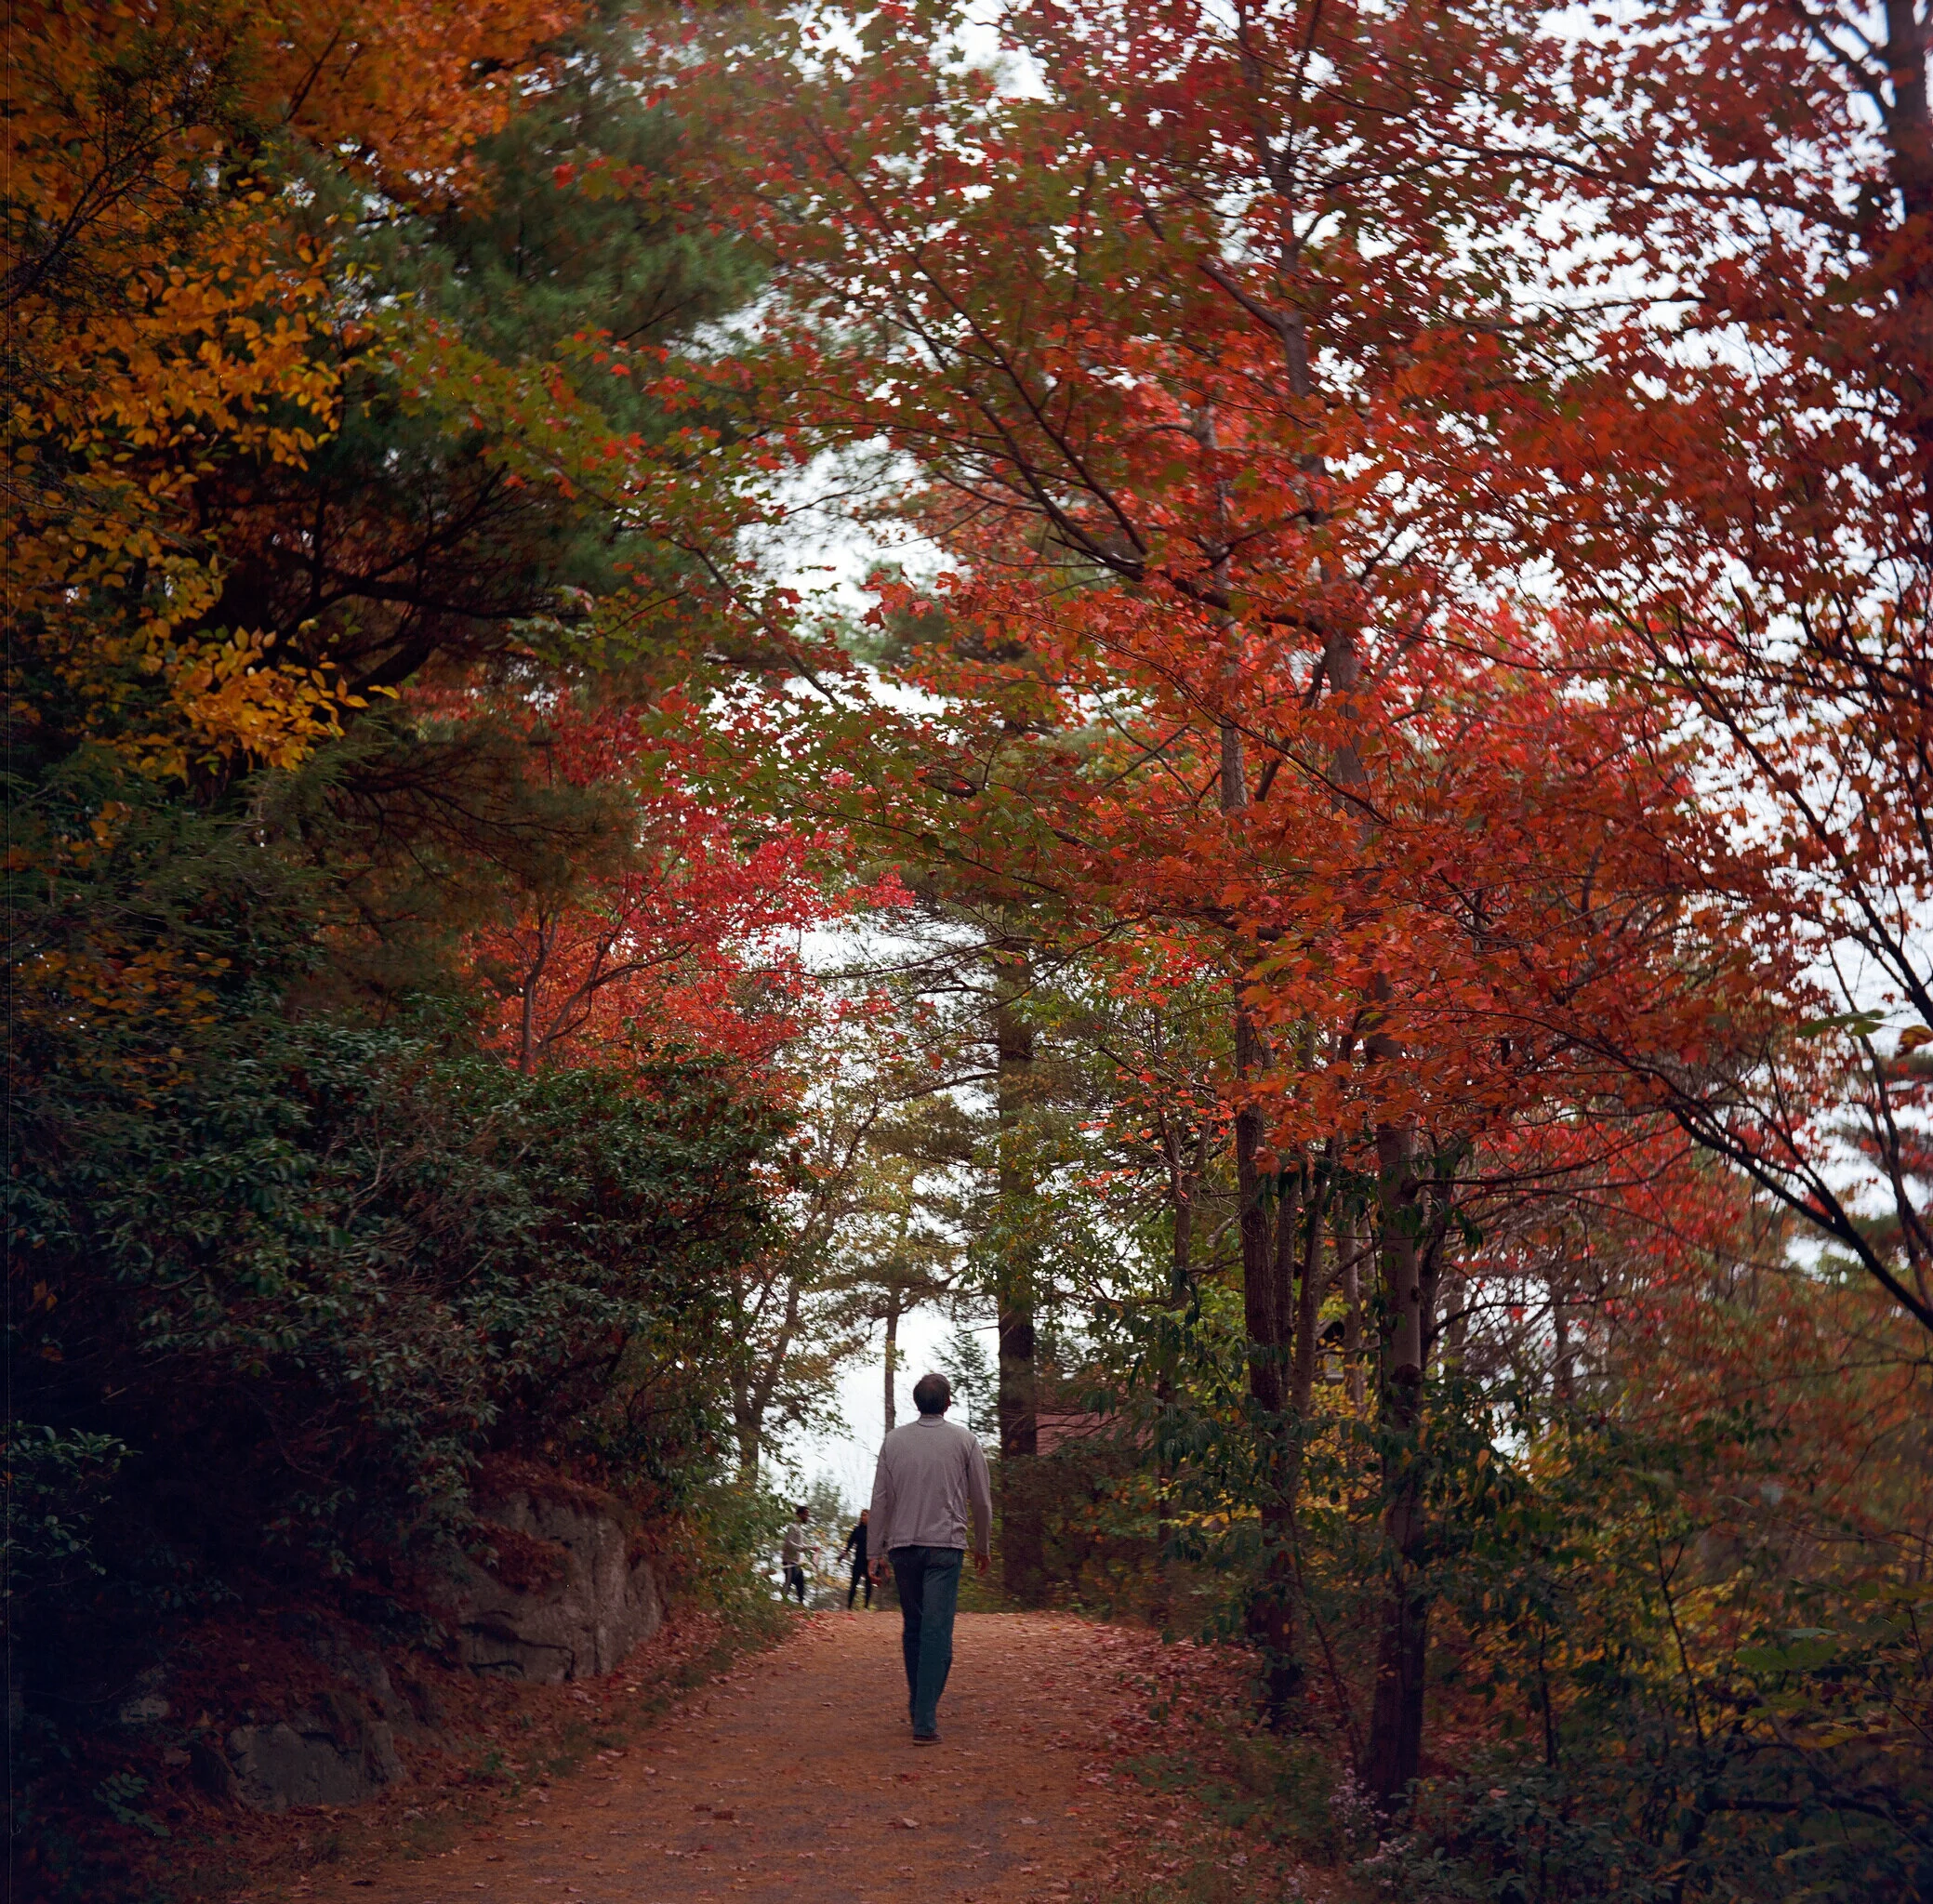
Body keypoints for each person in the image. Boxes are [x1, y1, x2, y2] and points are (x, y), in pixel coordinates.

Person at [866, 1371, 992, 1745]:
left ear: (917, 1403)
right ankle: (924, 1716)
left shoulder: (893, 1442)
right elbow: (982, 1501)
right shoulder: (965, 1442)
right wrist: (982, 1545)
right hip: (945, 1548)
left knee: (915, 1627)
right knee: (937, 1631)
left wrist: (875, 1552)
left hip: (903, 1548)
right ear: (948, 1402)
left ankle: (920, 1704)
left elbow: (880, 1500)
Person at [780, 1504, 814, 1606]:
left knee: (800, 1581)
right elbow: (788, 1542)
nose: (807, 1517)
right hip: (788, 1560)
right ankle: (782, 1604)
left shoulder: (799, 1529)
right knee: (788, 1582)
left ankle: (801, 1604)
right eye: (806, 1515)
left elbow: (800, 1545)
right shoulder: (792, 1527)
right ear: (799, 1515)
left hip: (795, 1561)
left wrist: (811, 1548)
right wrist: (800, 1548)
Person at [840, 1508, 873, 1609]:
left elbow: (880, 1543)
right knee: (854, 1583)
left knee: (868, 1584)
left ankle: (866, 1607)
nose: (863, 1517)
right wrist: (844, 1553)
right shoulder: (857, 1530)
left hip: (869, 1561)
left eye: (865, 1515)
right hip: (858, 1560)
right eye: (862, 1515)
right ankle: (849, 1606)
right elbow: (850, 1542)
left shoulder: (873, 1531)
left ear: (869, 1517)